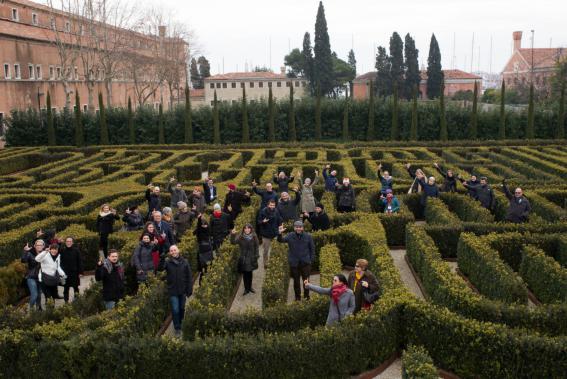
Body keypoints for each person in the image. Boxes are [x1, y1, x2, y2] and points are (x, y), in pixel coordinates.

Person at [277, 221, 315, 301]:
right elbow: (281, 240)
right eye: (297, 227)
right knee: (296, 282)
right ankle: (297, 297)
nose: (298, 228)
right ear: (294, 228)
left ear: (302, 228)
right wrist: (279, 233)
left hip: (305, 263)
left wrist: (311, 260)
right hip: (294, 263)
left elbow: (312, 249)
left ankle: (306, 296)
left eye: (300, 227)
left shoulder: (308, 236)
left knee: (306, 281)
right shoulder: (290, 235)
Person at [163, 245, 193, 337]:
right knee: (175, 310)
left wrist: (189, 289)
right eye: (171, 251)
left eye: (174, 250)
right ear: (170, 253)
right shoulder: (167, 262)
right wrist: (161, 257)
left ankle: (181, 321)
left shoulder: (185, 262)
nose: (173, 252)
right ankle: (177, 328)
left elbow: (189, 276)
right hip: (173, 291)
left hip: (182, 290)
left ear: (178, 250)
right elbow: (160, 268)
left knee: (182, 308)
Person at [230, 224, 260, 295]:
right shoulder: (241, 237)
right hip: (244, 258)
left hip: (251, 258)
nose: (247, 230)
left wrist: (256, 256)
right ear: (243, 229)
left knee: (250, 273)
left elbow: (257, 246)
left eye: (248, 228)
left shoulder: (254, 236)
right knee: (245, 274)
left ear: (251, 229)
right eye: (245, 228)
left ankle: (250, 287)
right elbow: (233, 242)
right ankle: (246, 289)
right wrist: (233, 234)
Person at [257, 199, 283, 268]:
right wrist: (263, 221)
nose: (272, 206)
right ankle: (266, 264)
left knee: (276, 249)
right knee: (266, 250)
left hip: (274, 233)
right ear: (268, 205)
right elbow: (258, 222)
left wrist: (280, 225)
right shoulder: (263, 211)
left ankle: (275, 262)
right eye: (271, 205)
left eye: (273, 205)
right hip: (266, 235)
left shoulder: (276, 211)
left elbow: (279, 219)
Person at [21, 240, 44, 310]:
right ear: (35, 246)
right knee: (34, 295)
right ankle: (30, 310)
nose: (39, 246)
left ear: (43, 246)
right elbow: (23, 260)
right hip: (31, 277)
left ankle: (38, 309)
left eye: (40, 245)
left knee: (39, 295)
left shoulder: (45, 254)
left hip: (41, 278)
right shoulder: (30, 254)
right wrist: (25, 251)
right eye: (37, 245)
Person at [59, 237, 83, 303]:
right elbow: (59, 259)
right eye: (67, 241)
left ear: (72, 242)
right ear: (65, 242)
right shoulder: (62, 251)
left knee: (75, 288)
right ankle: (66, 302)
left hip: (74, 273)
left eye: (70, 241)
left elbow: (80, 261)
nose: (68, 242)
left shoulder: (76, 250)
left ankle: (77, 301)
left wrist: (80, 272)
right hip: (65, 273)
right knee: (66, 288)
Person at [194, 214, 213, 285]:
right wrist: (199, 220)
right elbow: (198, 227)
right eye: (203, 224)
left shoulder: (207, 231)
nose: (204, 225)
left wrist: (205, 225)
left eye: (205, 224)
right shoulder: (199, 233)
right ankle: (201, 284)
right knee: (203, 270)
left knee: (209, 268)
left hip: (209, 252)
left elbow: (208, 229)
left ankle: (208, 283)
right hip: (202, 253)